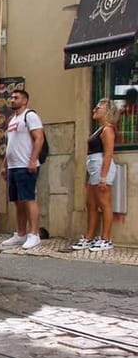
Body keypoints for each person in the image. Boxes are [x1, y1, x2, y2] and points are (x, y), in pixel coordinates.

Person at [0, 89, 45, 249]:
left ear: (25, 100)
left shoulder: (30, 116)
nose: (12, 100)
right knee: (18, 202)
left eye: (16, 98)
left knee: (28, 199)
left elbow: (39, 138)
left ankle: (34, 234)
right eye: (11, 97)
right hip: (13, 166)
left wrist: (33, 160)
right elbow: (11, 144)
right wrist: (5, 164)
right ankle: (20, 233)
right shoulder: (12, 119)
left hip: (26, 165)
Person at [72, 99, 118, 252]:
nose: (94, 109)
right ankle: (89, 237)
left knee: (104, 203)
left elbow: (108, 154)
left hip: (101, 168)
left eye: (98, 108)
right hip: (94, 168)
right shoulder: (100, 129)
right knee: (91, 204)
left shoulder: (107, 130)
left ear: (107, 111)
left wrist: (103, 177)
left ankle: (106, 239)